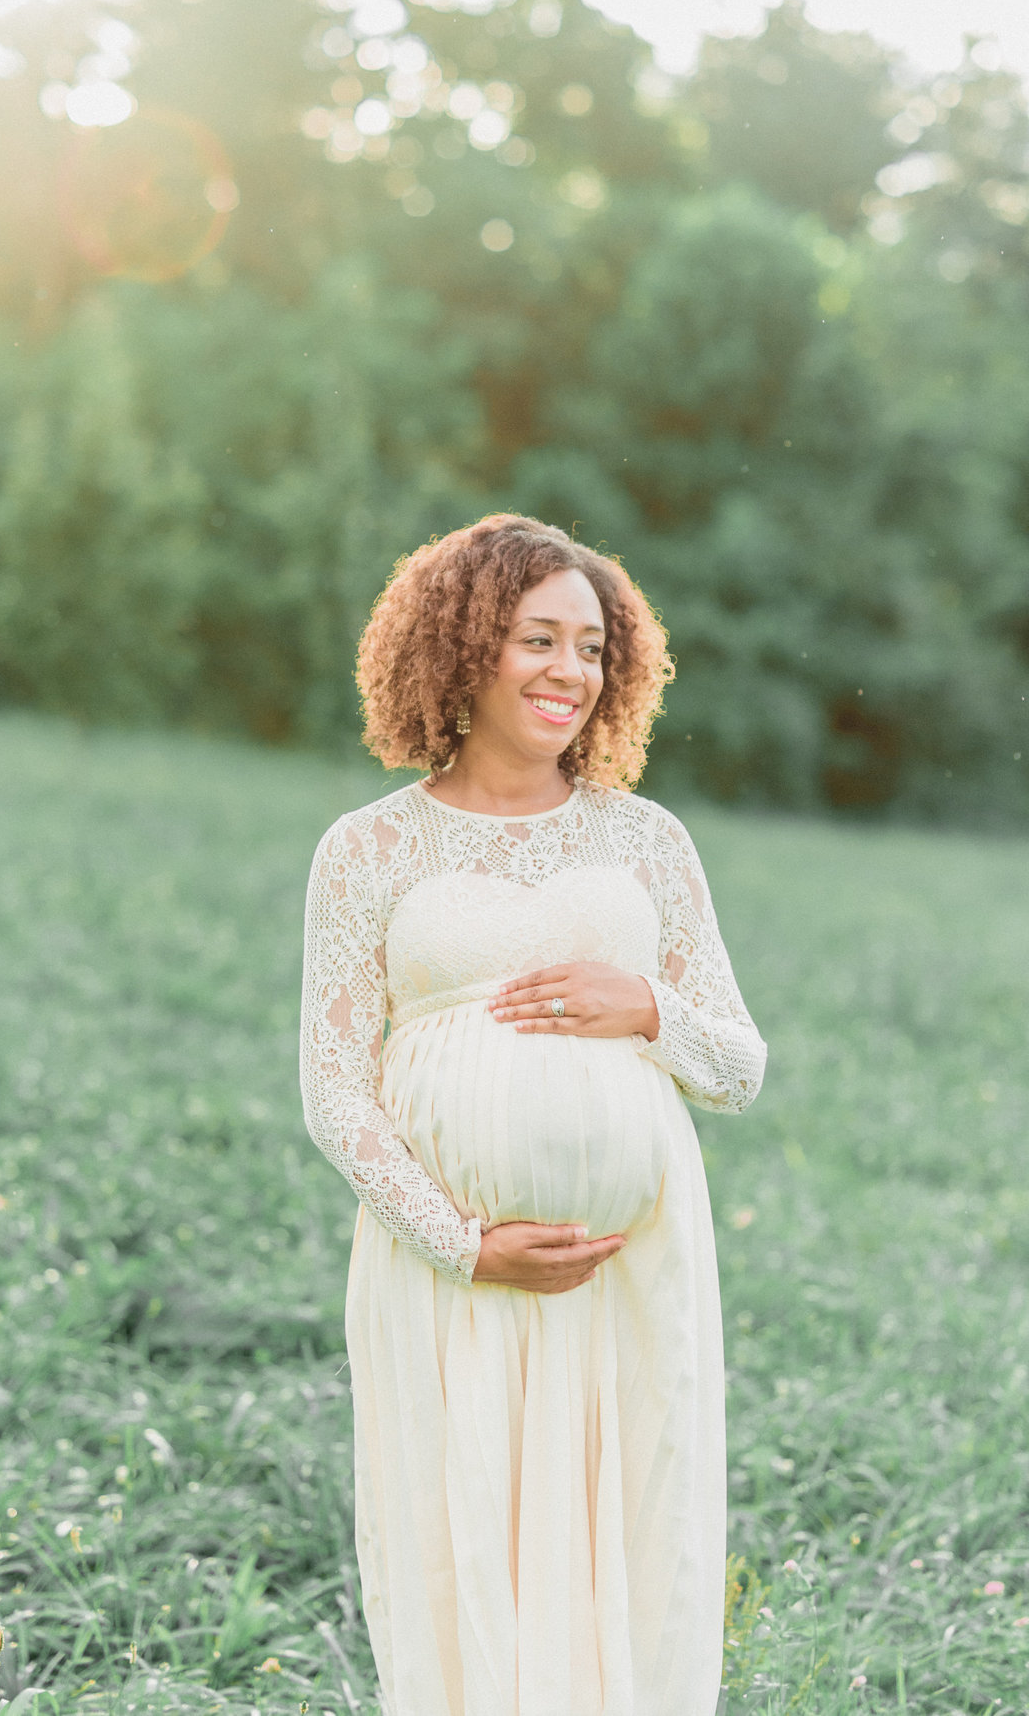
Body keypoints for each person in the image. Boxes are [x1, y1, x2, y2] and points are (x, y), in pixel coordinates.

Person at [299, 513, 767, 1716]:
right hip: (448, 1274)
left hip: (629, 1273)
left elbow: (740, 1062)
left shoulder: (646, 840)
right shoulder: (370, 849)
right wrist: (464, 1242)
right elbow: (334, 1087)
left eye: (595, 647)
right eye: (538, 639)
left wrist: (647, 1004)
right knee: (464, 1552)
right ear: (463, 648)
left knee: (628, 1542)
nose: (572, 670)